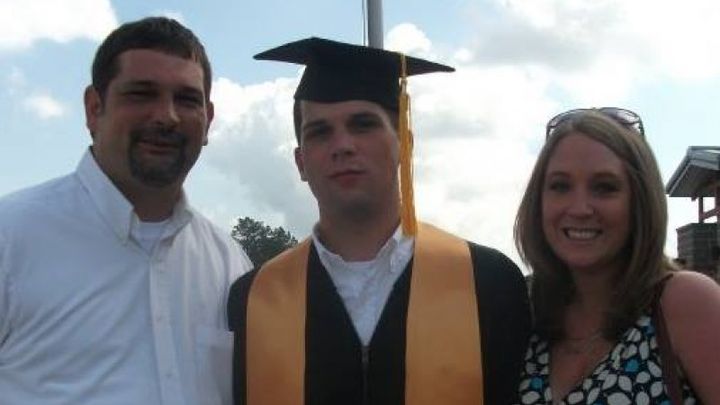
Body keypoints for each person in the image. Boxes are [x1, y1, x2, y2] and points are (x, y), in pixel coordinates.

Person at [228, 37, 531, 405]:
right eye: (320, 132)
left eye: (363, 125)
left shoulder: (488, 282)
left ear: (405, 143)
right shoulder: (254, 300)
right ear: (300, 162)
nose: (343, 145)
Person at [0, 17, 251, 404]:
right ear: (93, 108)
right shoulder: (11, 238)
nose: (166, 116)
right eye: (141, 94)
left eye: (187, 99)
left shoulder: (229, 265)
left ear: (209, 119)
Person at [514, 108, 720, 404]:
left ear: (640, 201)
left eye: (604, 188)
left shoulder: (685, 302)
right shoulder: (523, 312)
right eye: (560, 186)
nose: (580, 208)